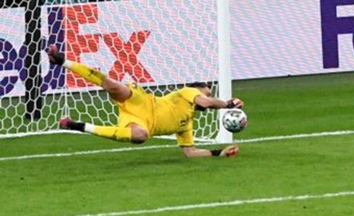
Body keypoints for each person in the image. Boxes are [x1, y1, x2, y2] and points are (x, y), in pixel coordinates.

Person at [49, 45, 242, 158]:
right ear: (198, 89)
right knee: (112, 85)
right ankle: (62, 61)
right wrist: (227, 104)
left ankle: (78, 126)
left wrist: (218, 153)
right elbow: (207, 103)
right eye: (207, 93)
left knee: (141, 136)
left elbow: (190, 152)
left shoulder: (186, 124)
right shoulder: (187, 92)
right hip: (142, 102)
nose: (207, 97)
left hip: (140, 123)